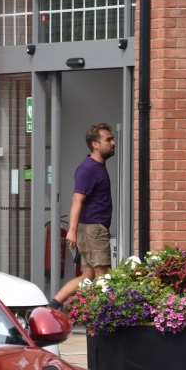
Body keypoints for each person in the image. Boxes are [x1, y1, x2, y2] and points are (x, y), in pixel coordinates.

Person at [49, 123, 117, 310]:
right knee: (105, 278)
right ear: (95, 144)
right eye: (108, 140)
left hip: (91, 230)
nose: (113, 142)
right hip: (93, 230)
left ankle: (51, 307)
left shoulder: (96, 167)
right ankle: (106, 318)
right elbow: (77, 200)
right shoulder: (89, 169)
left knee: (88, 277)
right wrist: (71, 231)